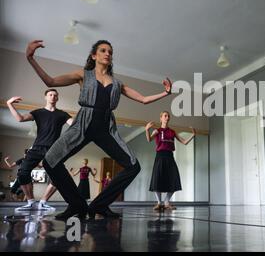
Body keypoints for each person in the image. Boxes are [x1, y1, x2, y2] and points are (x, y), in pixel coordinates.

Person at [25, 39, 172, 220]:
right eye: (103, 50)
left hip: (106, 128)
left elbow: (143, 99)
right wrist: (31, 58)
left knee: (133, 166)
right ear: (94, 55)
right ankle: (77, 205)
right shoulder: (83, 74)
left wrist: (165, 93)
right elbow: (50, 80)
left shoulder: (117, 84)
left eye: (110, 51)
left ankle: (99, 205)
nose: (107, 53)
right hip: (83, 125)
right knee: (50, 161)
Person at [6, 89, 73, 212]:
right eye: (50, 95)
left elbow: (74, 125)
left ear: (57, 98)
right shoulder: (38, 112)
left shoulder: (62, 114)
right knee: (22, 172)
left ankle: (43, 202)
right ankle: (31, 202)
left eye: (55, 95)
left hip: (53, 150)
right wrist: (9, 104)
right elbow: (20, 119)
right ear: (46, 97)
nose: (53, 97)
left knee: (59, 177)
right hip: (37, 148)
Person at [145, 111, 196, 211]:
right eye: (165, 116)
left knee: (174, 179)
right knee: (157, 179)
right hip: (160, 156)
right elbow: (149, 140)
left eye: (168, 116)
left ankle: (166, 202)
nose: (167, 117)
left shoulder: (172, 132)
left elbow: (184, 142)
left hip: (169, 156)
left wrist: (193, 135)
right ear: (161, 118)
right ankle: (159, 203)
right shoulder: (157, 131)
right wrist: (147, 130)